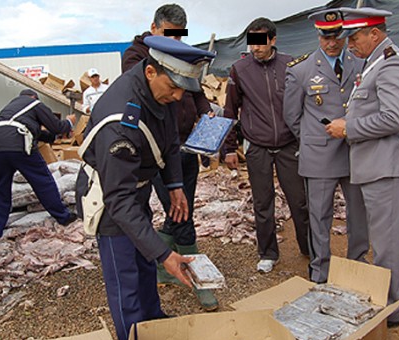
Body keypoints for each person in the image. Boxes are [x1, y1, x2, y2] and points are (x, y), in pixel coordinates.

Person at [79, 36, 215, 340]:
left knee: (143, 265)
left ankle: (154, 323)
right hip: (111, 200)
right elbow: (119, 200)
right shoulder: (120, 124)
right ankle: (135, 337)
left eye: (184, 88)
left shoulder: (158, 91)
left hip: (134, 186)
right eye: (174, 87)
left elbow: (168, 141)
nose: (179, 96)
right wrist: (165, 254)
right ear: (151, 72)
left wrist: (175, 185)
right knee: (126, 278)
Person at [326, 7, 399, 328]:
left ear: (375, 34)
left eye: (354, 37)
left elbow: (395, 118)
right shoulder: (376, 63)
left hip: (390, 167)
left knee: (386, 246)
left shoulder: (391, 65)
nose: (349, 44)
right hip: (382, 165)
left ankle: (389, 313)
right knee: (388, 242)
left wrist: (348, 128)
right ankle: (398, 295)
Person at [122, 3, 218, 311]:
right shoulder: (137, 56)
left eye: (179, 37)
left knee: (181, 207)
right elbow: (150, 97)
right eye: (169, 35)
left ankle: (164, 264)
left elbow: (196, 90)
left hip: (188, 145)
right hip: (159, 149)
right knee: (181, 213)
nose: (175, 43)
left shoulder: (183, 53)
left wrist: (207, 114)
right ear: (153, 29)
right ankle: (198, 275)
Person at [283, 9, 369, 284]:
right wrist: (313, 138)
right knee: (320, 216)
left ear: (344, 34)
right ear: (317, 35)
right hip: (319, 155)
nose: (331, 43)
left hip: (355, 151)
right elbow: (292, 116)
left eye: (337, 36)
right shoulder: (301, 70)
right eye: (325, 36)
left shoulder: (361, 64)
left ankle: (358, 264)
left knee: (358, 213)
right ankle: (320, 270)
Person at [223, 17, 310, 273]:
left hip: (288, 144)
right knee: (262, 202)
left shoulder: (291, 65)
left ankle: (309, 247)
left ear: (273, 40)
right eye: (252, 42)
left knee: (299, 200)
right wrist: (229, 147)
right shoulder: (239, 70)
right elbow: (231, 110)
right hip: (257, 145)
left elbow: (305, 103)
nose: (255, 48)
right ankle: (268, 253)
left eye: (261, 42)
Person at [0, 89, 76, 239]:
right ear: (34, 97)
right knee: (42, 181)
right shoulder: (34, 103)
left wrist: (57, 136)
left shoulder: (10, 109)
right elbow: (57, 126)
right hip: (18, 142)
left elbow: (40, 133)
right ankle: (63, 217)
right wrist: (69, 122)